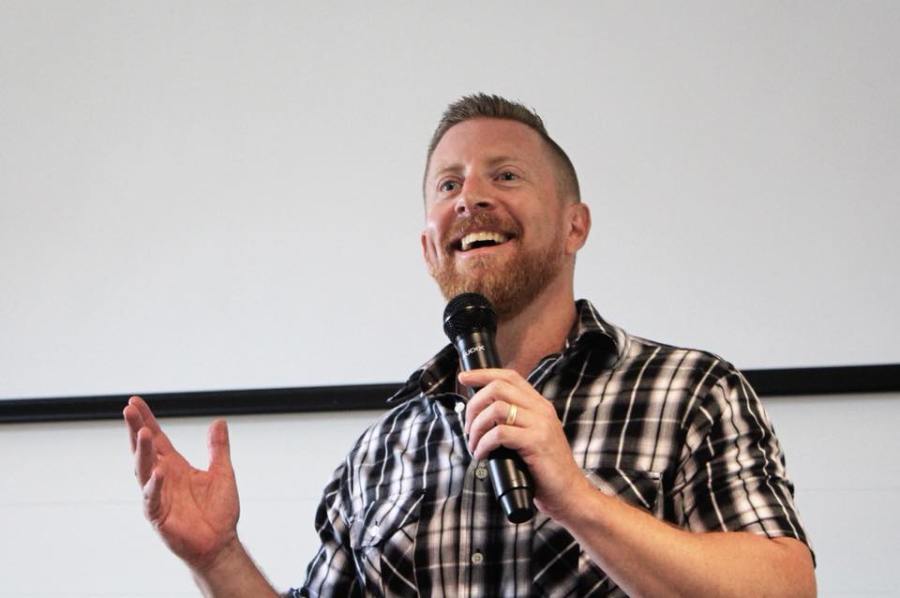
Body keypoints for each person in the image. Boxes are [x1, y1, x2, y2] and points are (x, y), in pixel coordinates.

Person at [124, 94, 816, 597]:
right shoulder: (379, 453)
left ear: (575, 226)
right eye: (449, 184)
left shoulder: (691, 392)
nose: (470, 198)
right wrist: (217, 558)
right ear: (430, 246)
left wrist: (578, 499)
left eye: (505, 175)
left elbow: (785, 588)